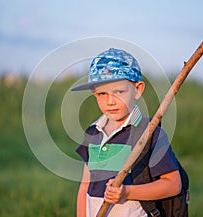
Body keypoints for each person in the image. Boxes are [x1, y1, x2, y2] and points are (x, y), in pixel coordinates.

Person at [71, 48, 182, 217]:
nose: (110, 101)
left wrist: (127, 192)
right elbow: (84, 188)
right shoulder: (93, 133)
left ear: (137, 89)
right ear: (94, 94)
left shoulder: (150, 134)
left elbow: (173, 185)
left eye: (119, 92)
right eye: (102, 93)